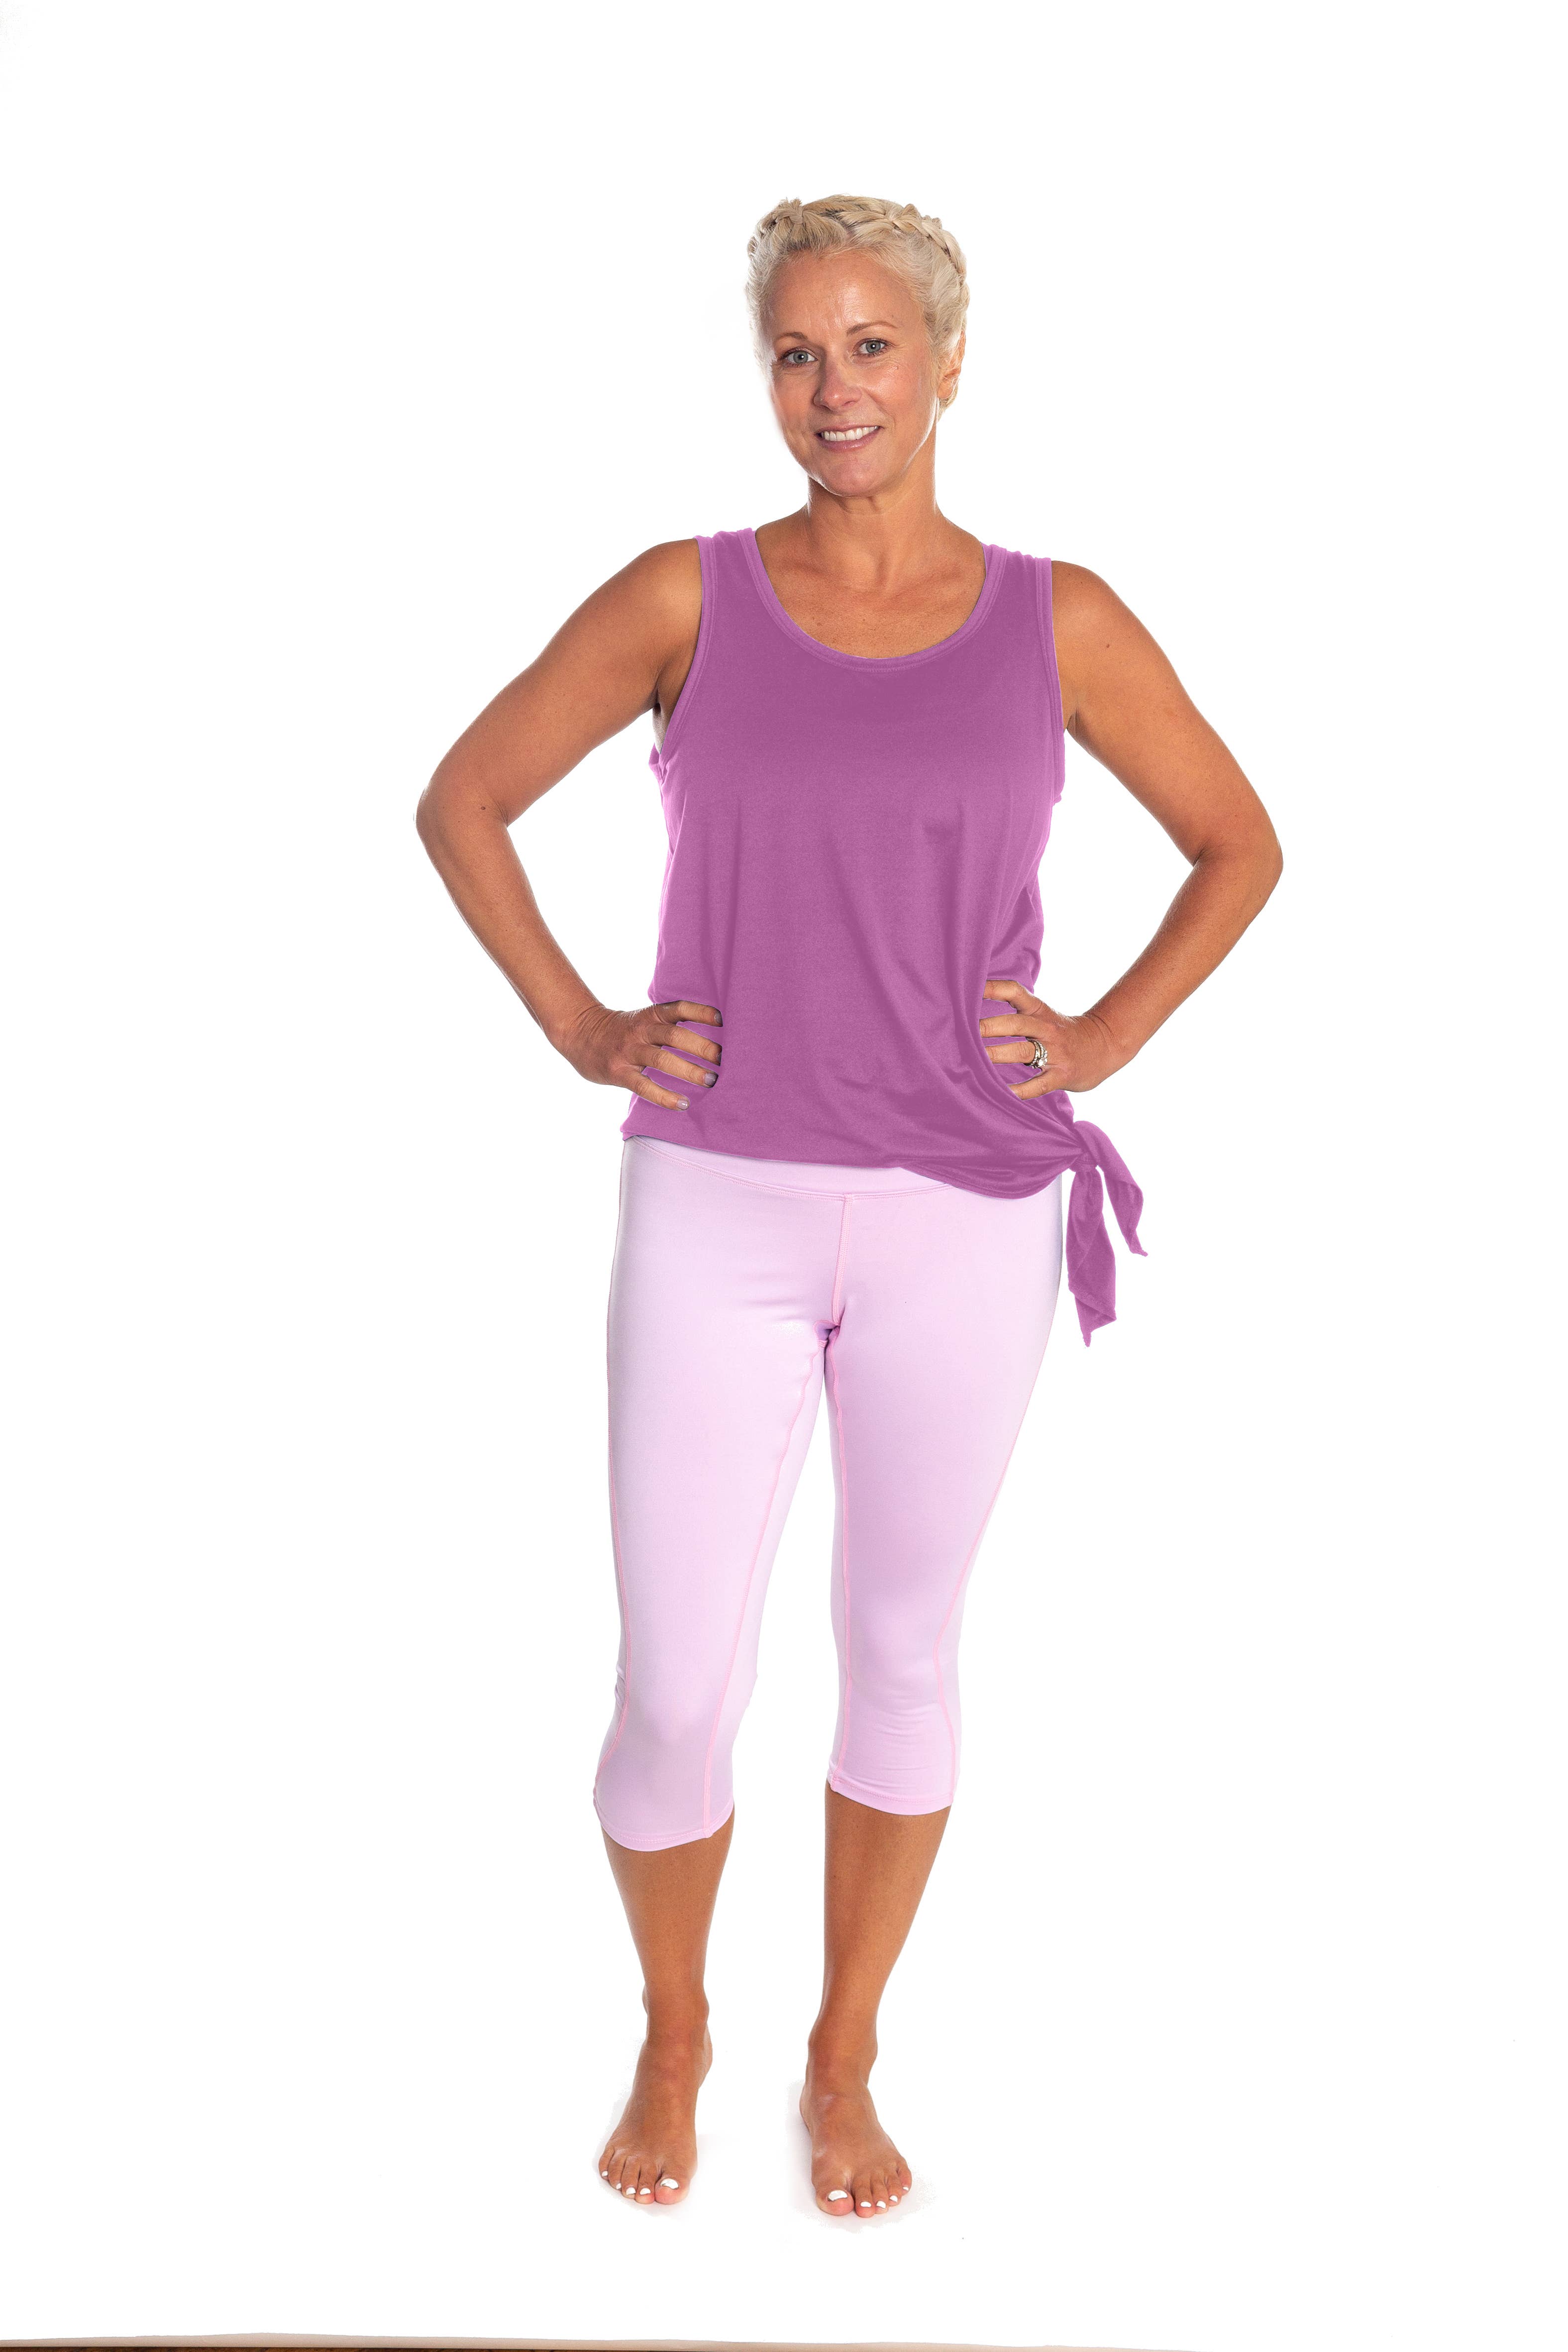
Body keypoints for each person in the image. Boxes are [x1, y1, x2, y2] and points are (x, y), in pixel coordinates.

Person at [415, 192, 1282, 2221]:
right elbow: (463, 798)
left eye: (871, 345)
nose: (834, 387)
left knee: (900, 1648)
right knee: (674, 1686)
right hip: (715, 1198)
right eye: (797, 352)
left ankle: (843, 2048)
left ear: (948, 362)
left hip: (965, 1212)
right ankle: (675, 2024)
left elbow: (1239, 843)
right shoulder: (685, 599)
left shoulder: (1057, 619)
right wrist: (581, 1023)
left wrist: (1103, 1033)